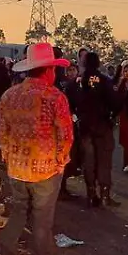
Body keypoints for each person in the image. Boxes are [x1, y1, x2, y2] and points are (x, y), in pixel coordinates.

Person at [0, 42, 74, 255]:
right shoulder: (54, 97)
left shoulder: (9, 95)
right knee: (42, 219)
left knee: (19, 211)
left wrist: (8, 157)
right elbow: (66, 135)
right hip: (45, 169)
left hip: (17, 167)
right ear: (49, 69)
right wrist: (61, 161)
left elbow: (2, 132)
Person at [73, 52, 121, 208]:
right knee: (104, 161)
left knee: (88, 161)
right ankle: (105, 195)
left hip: (84, 127)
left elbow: (69, 102)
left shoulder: (76, 81)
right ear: (99, 63)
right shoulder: (105, 80)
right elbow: (116, 102)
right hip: (102, 125)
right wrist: (112, 116)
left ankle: (91, 194)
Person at [57, 62, 83, 201]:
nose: (71, 72)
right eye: (69, 70)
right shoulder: (66, 86)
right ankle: (61, 188)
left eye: (73, 70)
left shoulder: (80, 84)